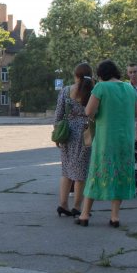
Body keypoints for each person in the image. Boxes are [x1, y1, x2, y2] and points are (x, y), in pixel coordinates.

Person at [76, 60, 137, 228]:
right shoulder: (130, 88)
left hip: (105, 138)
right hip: (125, 139)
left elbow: (89, 111)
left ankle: (84, 215)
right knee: (119, 175)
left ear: (101, 74)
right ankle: (115, 217)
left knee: (96, 173)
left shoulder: (101, 88)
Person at [54, 62, 93, 217]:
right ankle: (77, 206)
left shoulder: (65, 91)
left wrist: (57, 132)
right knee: (81, 172)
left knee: (66, 170)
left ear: (76, 75)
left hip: (68, 131)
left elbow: (58, 114)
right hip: (85, 131)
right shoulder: (92, 91)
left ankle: (63, 204)